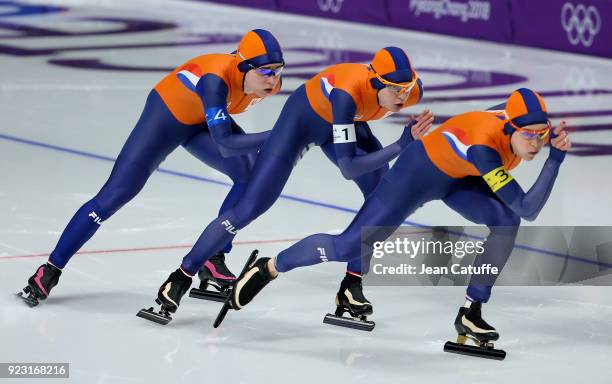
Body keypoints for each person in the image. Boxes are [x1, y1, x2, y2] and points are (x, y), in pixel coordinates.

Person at [230, 88, 570, 352]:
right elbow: (529, 207)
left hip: (457, 175)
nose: (537, 143)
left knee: (505, 223)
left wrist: (539, 139)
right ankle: (269, 267)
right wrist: (554, 161)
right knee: (349, 243)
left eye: (542, 134)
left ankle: (471, 312)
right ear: (510, 126)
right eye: (529, 135)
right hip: (415, 174)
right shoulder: (485, 149)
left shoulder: (511, 121)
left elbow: (519, 206)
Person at [146, 46, 433, 322]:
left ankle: (352, 285)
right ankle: (180, 277)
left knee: (382, 197)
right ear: (374, 82)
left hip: (342, 123)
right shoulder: (347, 94)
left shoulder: (408, 91)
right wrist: (401, 145)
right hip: (300, 123)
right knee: (251, 206)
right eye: (395, 89)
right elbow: (349, 167)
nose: (402, 96)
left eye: (407, 89)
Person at [18, 29, 285, 307]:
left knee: (250, 177)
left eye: (278, 70)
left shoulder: (266, 80)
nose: (273, 79)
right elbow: (227, 144)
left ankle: (212, 259)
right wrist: (280, 134)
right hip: (166, 117)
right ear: (243, 66)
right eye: (266, 71)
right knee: (114, 195)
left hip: (202, 120)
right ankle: (49, 270)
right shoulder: (214, 81)